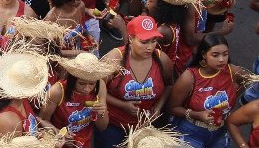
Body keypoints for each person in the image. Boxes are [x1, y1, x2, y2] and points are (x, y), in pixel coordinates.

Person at [95, 15, 174, 146]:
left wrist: (158, 107)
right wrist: (123, 105)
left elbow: (169, 85)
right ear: (131, 39)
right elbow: (96, 89)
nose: (150, 47)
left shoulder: (162, 59)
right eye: (144, 42)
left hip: (144, 128)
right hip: (114, 127)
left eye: (153, 41)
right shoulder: (114, 59)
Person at [168, 34, 253, 148]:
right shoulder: (189, 77)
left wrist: (235, 93)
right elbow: (172, 108)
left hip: (220, 133)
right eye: (215, 55)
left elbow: (251, 80)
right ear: (204, 55)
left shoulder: (232, 71)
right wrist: (197, 115)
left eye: (225, 54)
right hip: (191, 133)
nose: (221, 59)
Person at [39, 53, 115, 148]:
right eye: (81, 83)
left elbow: (102, 127)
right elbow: (42, 120)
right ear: (72, 79)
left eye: (91, 84)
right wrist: (58, 133)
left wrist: (101, 113)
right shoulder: (57, 91)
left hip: (85, 143)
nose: (87, 89)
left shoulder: (100, 86)